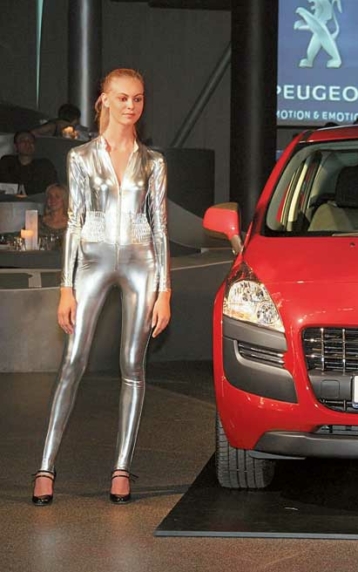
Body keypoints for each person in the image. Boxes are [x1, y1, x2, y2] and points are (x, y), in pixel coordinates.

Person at [31, 68, 171, 506]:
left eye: (138, 99)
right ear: (105, 99)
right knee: (73, 360)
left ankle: (122, 468)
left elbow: (160, 228)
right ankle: (45, 467)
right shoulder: (81, 157)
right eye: (123, 97)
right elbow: (73, 222)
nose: (131, 106)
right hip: (91, 260)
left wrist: (165, 290)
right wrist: (66, 286)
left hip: (141, 263)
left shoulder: (153, 161)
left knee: (132, 363)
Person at [0, 131, 58, 195]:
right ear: (15, 146)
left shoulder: (44, 165)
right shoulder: (6, 162)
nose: (27, 143)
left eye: (31, 141)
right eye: (23, 141)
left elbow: (54, 189)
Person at [39, 183, 70, 248]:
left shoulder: (73, 224)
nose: (52, 199)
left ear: (64, 200)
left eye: (57, 197)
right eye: (50, 196)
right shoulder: (38, 222)